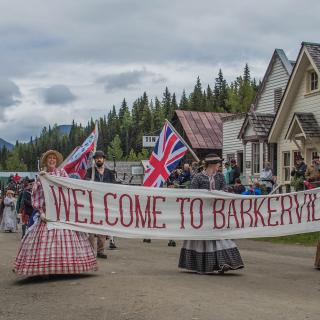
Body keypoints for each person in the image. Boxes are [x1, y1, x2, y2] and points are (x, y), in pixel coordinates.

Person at [14, 150, 97, 276]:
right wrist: (40, 212)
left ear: (56, 161)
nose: (52, 160)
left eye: (53, 158)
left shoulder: (62, 173)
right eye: (49, 158)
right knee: (44, 241)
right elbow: (36, 196)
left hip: (61, 212)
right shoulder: (41, 176)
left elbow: (69, 190)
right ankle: (44, 270)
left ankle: (68, 268)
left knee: (68, 239)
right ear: (46, 161)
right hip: (47, 213)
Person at [178, 154, 244, 274]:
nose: (219, 166)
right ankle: (203, 265)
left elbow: (225, 190)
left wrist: (218, 194)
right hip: (202, 214)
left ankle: (223, 262)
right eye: (218, 164)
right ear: (213, 164)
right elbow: (192, 194)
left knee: (220, 236)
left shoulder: (220, 177)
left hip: (217, 213)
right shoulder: (198, 177)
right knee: (203, 240)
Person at [85, 150, 117, 257]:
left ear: (104, 159)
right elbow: (84, 183)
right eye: (97, 158)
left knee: (102, 228)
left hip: (105, 204)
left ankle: (100, 250)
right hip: (92, 204)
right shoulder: (90, 171)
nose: (99, 159)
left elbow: (115, 187)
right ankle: (90, 251)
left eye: (100, 157)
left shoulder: (109, 173)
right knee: (90, 229)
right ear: (94, 160)